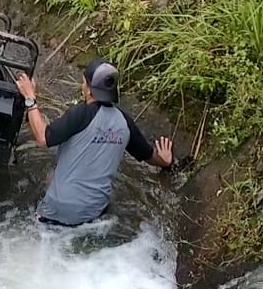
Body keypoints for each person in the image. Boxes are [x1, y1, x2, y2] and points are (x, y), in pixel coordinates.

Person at [15, 60, 175, 227]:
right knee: (52, 177)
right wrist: (164, 160)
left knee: (45, 186)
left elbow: (42, 137)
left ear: (89, 89)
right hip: (93, 214)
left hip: (57, 209)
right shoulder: (125, 122)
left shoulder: (81, 113)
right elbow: (149, 156)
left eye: (84, 82)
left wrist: (30, 98)